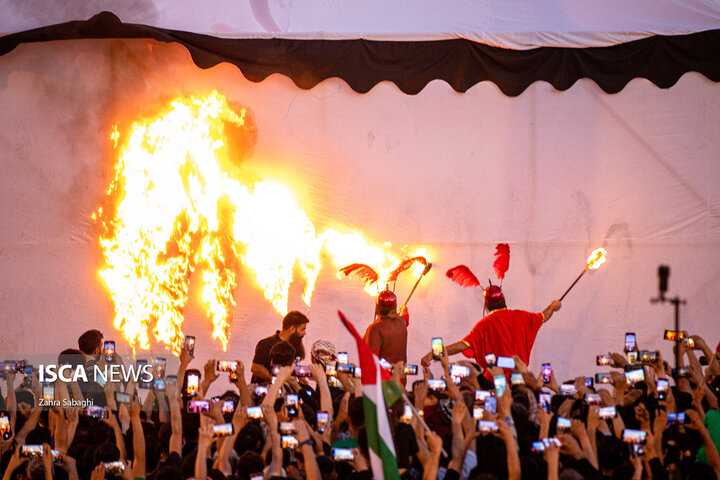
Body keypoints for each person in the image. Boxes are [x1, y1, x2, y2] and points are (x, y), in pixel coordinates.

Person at [421, 283, 562, 373]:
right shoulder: (523, 317)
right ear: (504, 299)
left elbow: (462, 346)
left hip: (495, 382)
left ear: (486, 305)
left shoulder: (484, 325)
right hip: (521, 380)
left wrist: (434, 353)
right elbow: (544, 316)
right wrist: (553, 307)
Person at [250, 311, 309, 383]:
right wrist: (277, 380)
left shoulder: (294, 345)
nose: (304, 333)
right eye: (303, 329)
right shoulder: (267, 343)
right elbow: (256, 368)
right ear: (292, 329)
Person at [362, 288, 408, 364]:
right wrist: (404, 309)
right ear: (395, 306)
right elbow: (404, 317)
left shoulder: (375, 328)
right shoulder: (402, 322)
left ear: (378, 306)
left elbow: (370, 358)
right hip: (400, 374)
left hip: (384, 374)